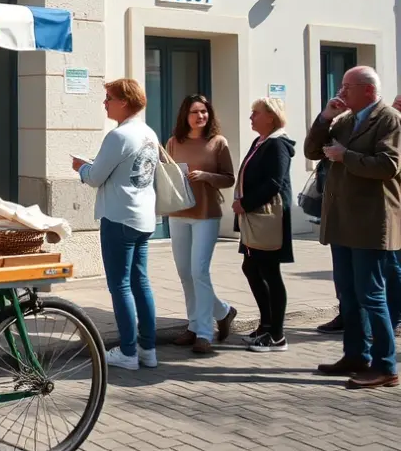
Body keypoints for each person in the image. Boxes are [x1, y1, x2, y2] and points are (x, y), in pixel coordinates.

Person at [306, 67, 401, 388]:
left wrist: (347, 156)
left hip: (371, 221)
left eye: (348, 87)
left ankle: (386, 365)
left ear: (369, 91)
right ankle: (356, 355)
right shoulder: (345, 119)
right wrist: (324, 118)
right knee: (348, 295)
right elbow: (311, 151)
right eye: (341, 86)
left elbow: (388, 166)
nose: (341, 92)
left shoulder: (388, 119)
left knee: (372, 295)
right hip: (342, 220)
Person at [73, 78, 159, 371]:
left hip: (119, 215)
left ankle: (127, 351)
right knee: (140, 281)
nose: (105, 102)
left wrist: (81, 168)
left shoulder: (119, 136)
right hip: (144, 215)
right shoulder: (149, 133)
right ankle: (148, 348)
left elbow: (95, 177)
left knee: (120, 285)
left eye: (109, 97)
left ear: (124, 101)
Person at [165, 95, 238, 354]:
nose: (200, 116)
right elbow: (166, 175)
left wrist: (207, 176)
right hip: (178, 213)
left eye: (204, 112)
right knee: (185, 273)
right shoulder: (174, 142)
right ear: (186, 115)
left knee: (199, 271)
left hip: (206, 214)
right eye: (195, 112)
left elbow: (229, 179)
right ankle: (204, 320)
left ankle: (205, 333)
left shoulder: (218, 143)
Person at [234, 97, 295, 353]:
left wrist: (246, 203)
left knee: (270, 273)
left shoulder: (277, 144)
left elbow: (273, 182)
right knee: (251, 267)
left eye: (255, 113)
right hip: (254, 219)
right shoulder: (260, 141)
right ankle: (266, 325)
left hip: (268, 219)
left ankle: (277, 335)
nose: (251, 117)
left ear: (270, 116)